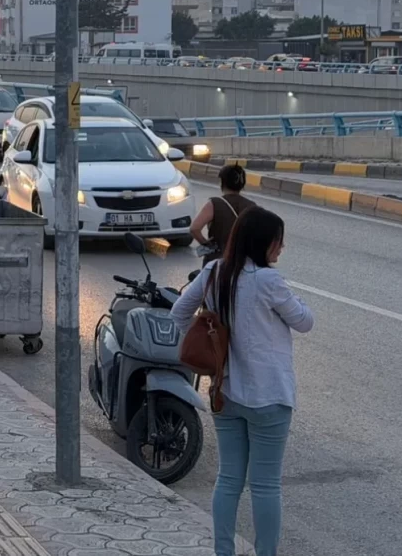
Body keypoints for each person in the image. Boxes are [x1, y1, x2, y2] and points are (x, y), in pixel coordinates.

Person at [170, 207, 313, 556]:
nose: (281, 247)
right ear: (263, 242)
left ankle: (224, 551)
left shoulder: (214, 271)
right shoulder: (269, 281)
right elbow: (305, 321)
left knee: (229, 479)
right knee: (265, 486)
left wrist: (208, 341)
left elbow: (179, 313)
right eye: (278, 241)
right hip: (269, 396)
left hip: (225, 392)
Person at [191, 164, 257, 264]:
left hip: (217, 261)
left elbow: (194, 229)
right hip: (242, 260)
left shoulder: (214, 203)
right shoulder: (252, 206)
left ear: (222, 182)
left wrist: (208, 245)